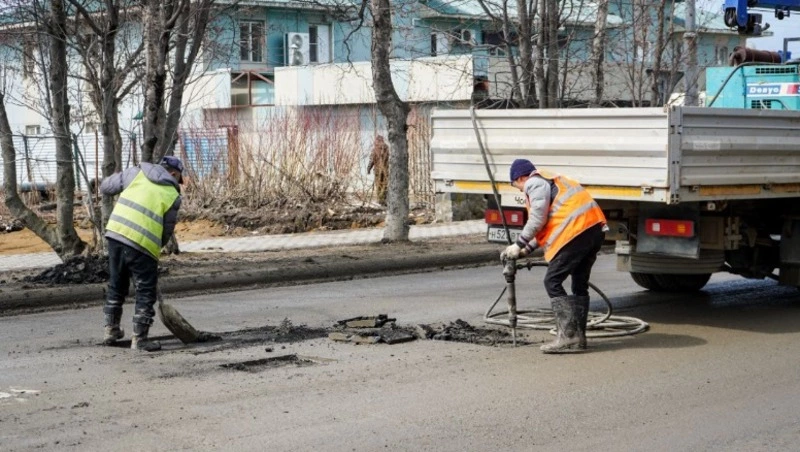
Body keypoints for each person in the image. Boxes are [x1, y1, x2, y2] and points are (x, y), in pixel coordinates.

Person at [502, 159, 607, 353]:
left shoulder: (534, 183)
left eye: (515, 184)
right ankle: (579, 338)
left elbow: (537, 219)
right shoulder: (551, 181)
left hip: (576, 232)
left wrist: (518, 244)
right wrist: (527, 249)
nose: (518, 190)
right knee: (579, 283)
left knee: (552, 281)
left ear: (520, 178)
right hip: (592, 230)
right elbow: (548, 224)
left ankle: (568, 337)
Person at [100, 156, 184, 352]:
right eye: (178, 178)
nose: (177, 182)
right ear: (173, 173)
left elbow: (105, 187)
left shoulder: (135, 173)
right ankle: (140, 338)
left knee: (116, 283)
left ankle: (110, 330)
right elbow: (166, 230)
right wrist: (156, 247)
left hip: (116, 235)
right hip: (143, 244)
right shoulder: (172, 194)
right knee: (145, 290)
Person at [367, 135, 389, 206]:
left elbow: (371, 160)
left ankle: (380, 200)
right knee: (385, 185)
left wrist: (368, 169)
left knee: (378, 185)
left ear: (377, 141)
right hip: (386, 170)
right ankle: (384, 200)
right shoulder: (387, 149)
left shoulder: (375, 149)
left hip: (377, 171)